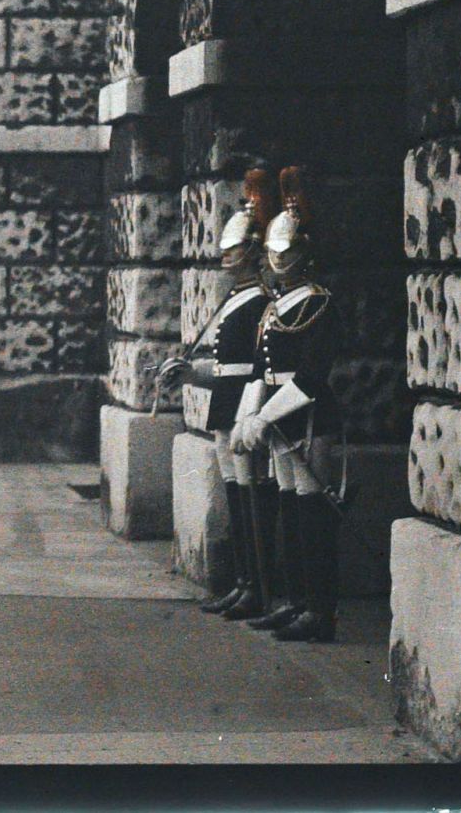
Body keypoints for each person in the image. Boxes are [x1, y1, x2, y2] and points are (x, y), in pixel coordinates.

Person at [159, 167, 277, 617]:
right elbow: (226, 369)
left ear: (252, 253)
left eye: (235, 249)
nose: (226, 256)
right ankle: (244, 580)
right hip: (225, 406)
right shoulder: (234, 300)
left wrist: (253, 413)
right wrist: (190, 375)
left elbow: (255, 369)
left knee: (252, 495)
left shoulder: (260, 301)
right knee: (235, 494)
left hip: (246, 405)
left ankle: (259, 587)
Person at [232, 165, 341, 642]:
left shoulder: (318, 302)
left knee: (313, 515)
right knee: (291, 512)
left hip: (309, 417)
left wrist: (265, 416)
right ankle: (295, 600)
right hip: (278, 421)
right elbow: (261, 371)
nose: (279, 260)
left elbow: (313, 378)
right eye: (275, 252)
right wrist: (246, 418)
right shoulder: (275, 309)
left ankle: (319, 609)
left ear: (304, 253)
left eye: (287, 251)